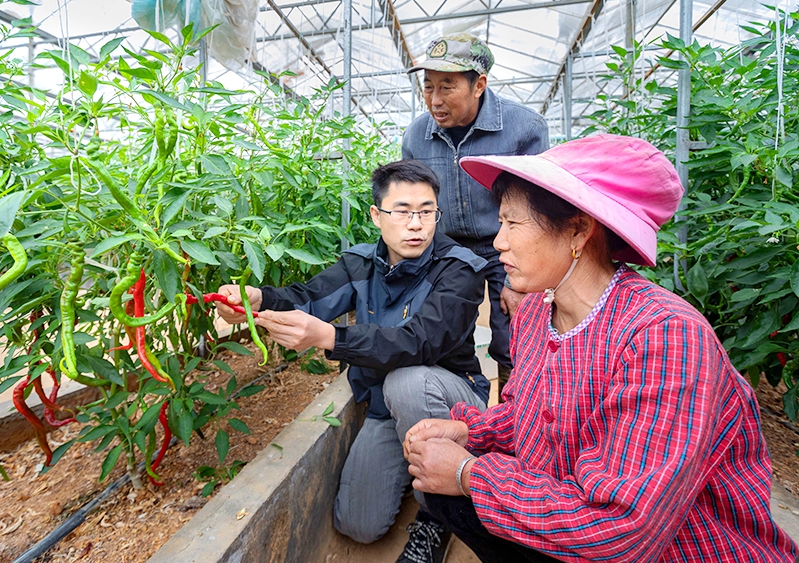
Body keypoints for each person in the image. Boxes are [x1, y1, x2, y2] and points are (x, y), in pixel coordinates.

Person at [402, 134, 799, 562]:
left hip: (676, 549)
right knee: (444, 495)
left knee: (461, 490)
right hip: (572, 510)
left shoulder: (664, 337)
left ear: (578, 231)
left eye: (512, 223)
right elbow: (531, 414)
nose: (499, 241)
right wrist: (471, 432)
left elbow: (622, 528)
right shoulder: (538, 310)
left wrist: (469, 472)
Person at [216, 159, 490, 563]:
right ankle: (412, 462)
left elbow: (417, 344)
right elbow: (309, 297)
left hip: (452, 401)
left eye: (427, 211)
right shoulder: (360, 263)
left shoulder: (457, 270)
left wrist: (329, 336)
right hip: (384, 405)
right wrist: (258, 299)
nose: (416, 224)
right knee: (359, 525)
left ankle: (438, 517)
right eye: (402, 211)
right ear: (377, 216)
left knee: (408, 380)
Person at [402, 32, 549, 394]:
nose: (435, 100)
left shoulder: (523, 129)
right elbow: (413, 205)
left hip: (507, 248)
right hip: (448, 249)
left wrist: (522, 282)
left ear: (479, 84)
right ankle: (467, 416)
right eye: (428, 87)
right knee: (448, 339)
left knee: (515, 339)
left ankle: (515, 419)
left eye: (447, 87)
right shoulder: (416, 136)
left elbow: (536, 210)